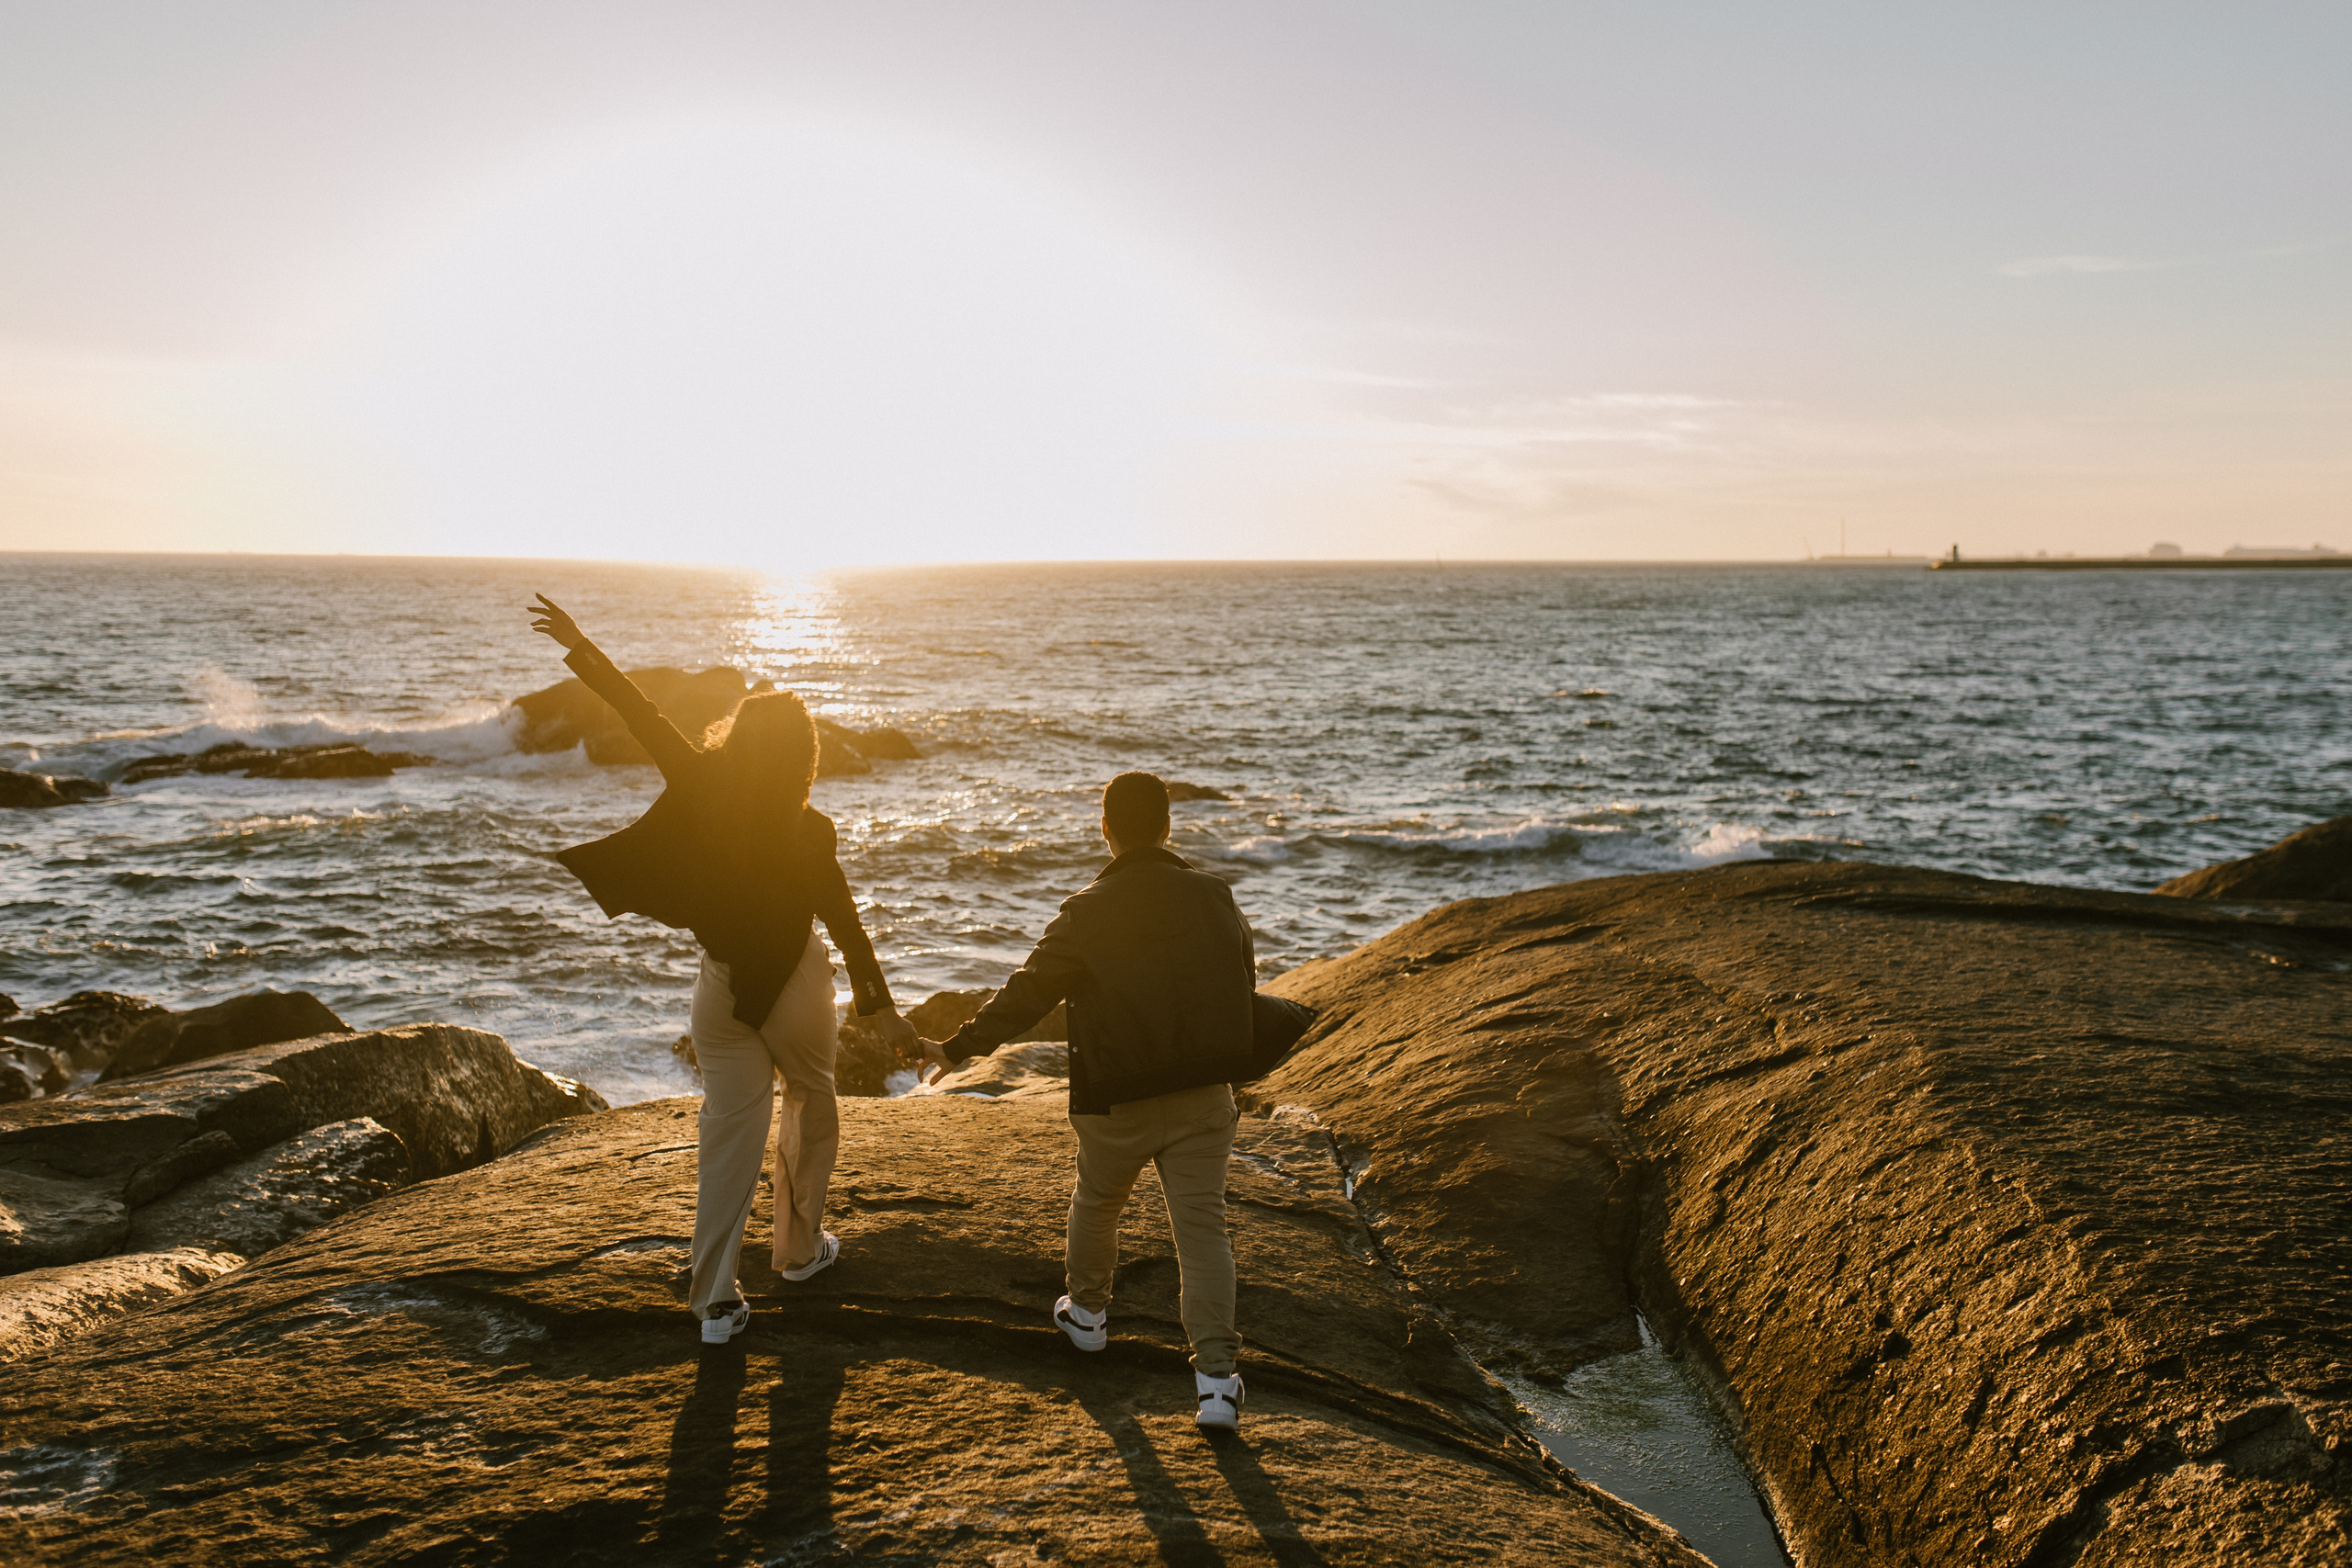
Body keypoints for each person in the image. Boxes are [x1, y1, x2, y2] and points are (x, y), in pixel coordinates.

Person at [527, 593, 915, 1345]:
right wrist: (884, 1010)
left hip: (723, 991)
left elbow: (639, 712)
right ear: (805, 757)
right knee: (812, 1106)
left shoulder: (702, 784)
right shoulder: (813, 829)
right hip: (799, 989)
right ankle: (800, 1254)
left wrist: (578, 644)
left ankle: (715, 1301)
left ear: (738, 739)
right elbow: (845, 924)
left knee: (729, 1135)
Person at [919, 771, 1258, 1431]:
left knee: (1098, 1202)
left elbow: (1027, 992)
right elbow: (1243, 977)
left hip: (1117, 1097)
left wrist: (957, 1049)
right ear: (1167, 827)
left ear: (1105, 829)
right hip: (1200, 1093)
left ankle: (1088, 1316)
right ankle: (1217, 1383)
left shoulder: (1085, 910)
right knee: (1203, 1230)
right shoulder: (1215, 894)